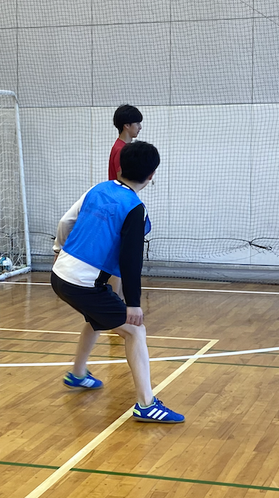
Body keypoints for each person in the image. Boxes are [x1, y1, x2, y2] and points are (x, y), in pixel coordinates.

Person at [52, 140, 184, 423]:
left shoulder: (98, 188)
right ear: (151, 175)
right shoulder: (135, 208)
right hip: (83, 284)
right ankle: (146, 404)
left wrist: (57, 251)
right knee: (135, 331)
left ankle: (78, 373)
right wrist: (133, 304)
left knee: (96, 318)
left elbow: (65, 222)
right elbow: (130, 260)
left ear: (120, 166)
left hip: (59, 274)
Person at [108, 104, 143, 182]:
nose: (140, 127)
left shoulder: (122, 147)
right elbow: (122, 181)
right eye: (137, 123)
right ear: (127, 125)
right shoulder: (121, 149)